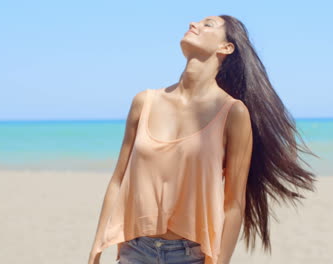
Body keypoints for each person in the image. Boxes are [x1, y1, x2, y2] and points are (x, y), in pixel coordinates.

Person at [88, 14, 318, 264]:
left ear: (226, 47)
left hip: (190, 256)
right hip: (135, 251)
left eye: (207, 24)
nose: (192, 24)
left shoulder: (233, 113)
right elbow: (117, 181)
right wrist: (96, 250)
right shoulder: (145, 102)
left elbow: (233, 205)